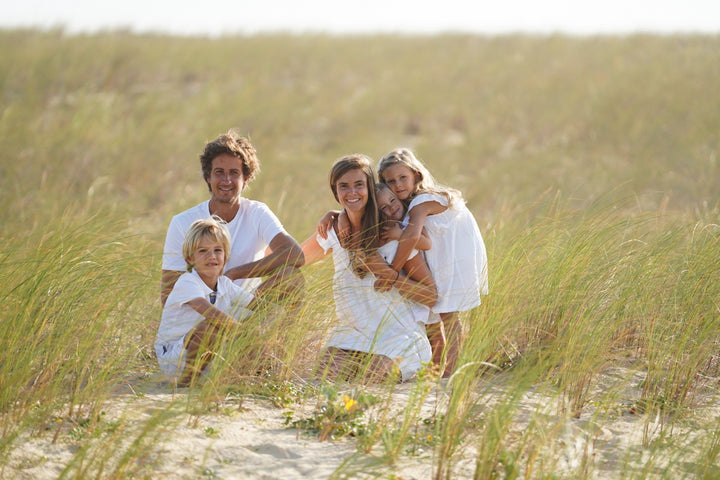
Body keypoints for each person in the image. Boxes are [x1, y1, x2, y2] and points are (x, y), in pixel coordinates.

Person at [301, 154, 437, 383]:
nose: (351, 192)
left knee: (371, 375)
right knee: (325, 373)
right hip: (353, 335)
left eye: (359, 185)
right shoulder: (334, 230)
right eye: (344, 186)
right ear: (335, 192)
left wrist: (389, 275)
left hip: (400, 337)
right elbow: (295, 257)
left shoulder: (392, 233)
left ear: (369, 190)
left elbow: (431, 297)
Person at [161, 130, 304, 309]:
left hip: (246, 307)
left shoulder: (257, 212)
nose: (226, 180)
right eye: (219, 172)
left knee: (291, 276)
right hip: (204, 316)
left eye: (234, 173)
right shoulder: (183, 222)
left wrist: (234, 273)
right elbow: (168, 295)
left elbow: (294, 254)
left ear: (245, 179)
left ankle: (278, 337)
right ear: (208, 177)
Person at [377, 147, 489, 377]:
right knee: (436, 316)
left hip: (455, 258)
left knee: (449, 316)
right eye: (391, 181)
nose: (398, 185)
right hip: (442, 256)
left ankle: (451, 371)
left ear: (416, 175)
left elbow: (413, 236)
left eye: (403, 178)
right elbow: (422, 242)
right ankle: (437, 368)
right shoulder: (410, 205)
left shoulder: (423, 201)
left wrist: (393, 272)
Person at [156, 217, 254, 386]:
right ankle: (186, 382)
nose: (212, 256)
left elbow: (258, 305)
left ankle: (238, 375)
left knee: (252, 325)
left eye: (218, 250)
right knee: (211, 328)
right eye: (202, 251)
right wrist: (245, 336)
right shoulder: (187, 282)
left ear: (226, 255)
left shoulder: (225, 284)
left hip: (207, 355)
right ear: (190, 258)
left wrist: (263, 327)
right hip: (174, 359)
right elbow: (212, 314)